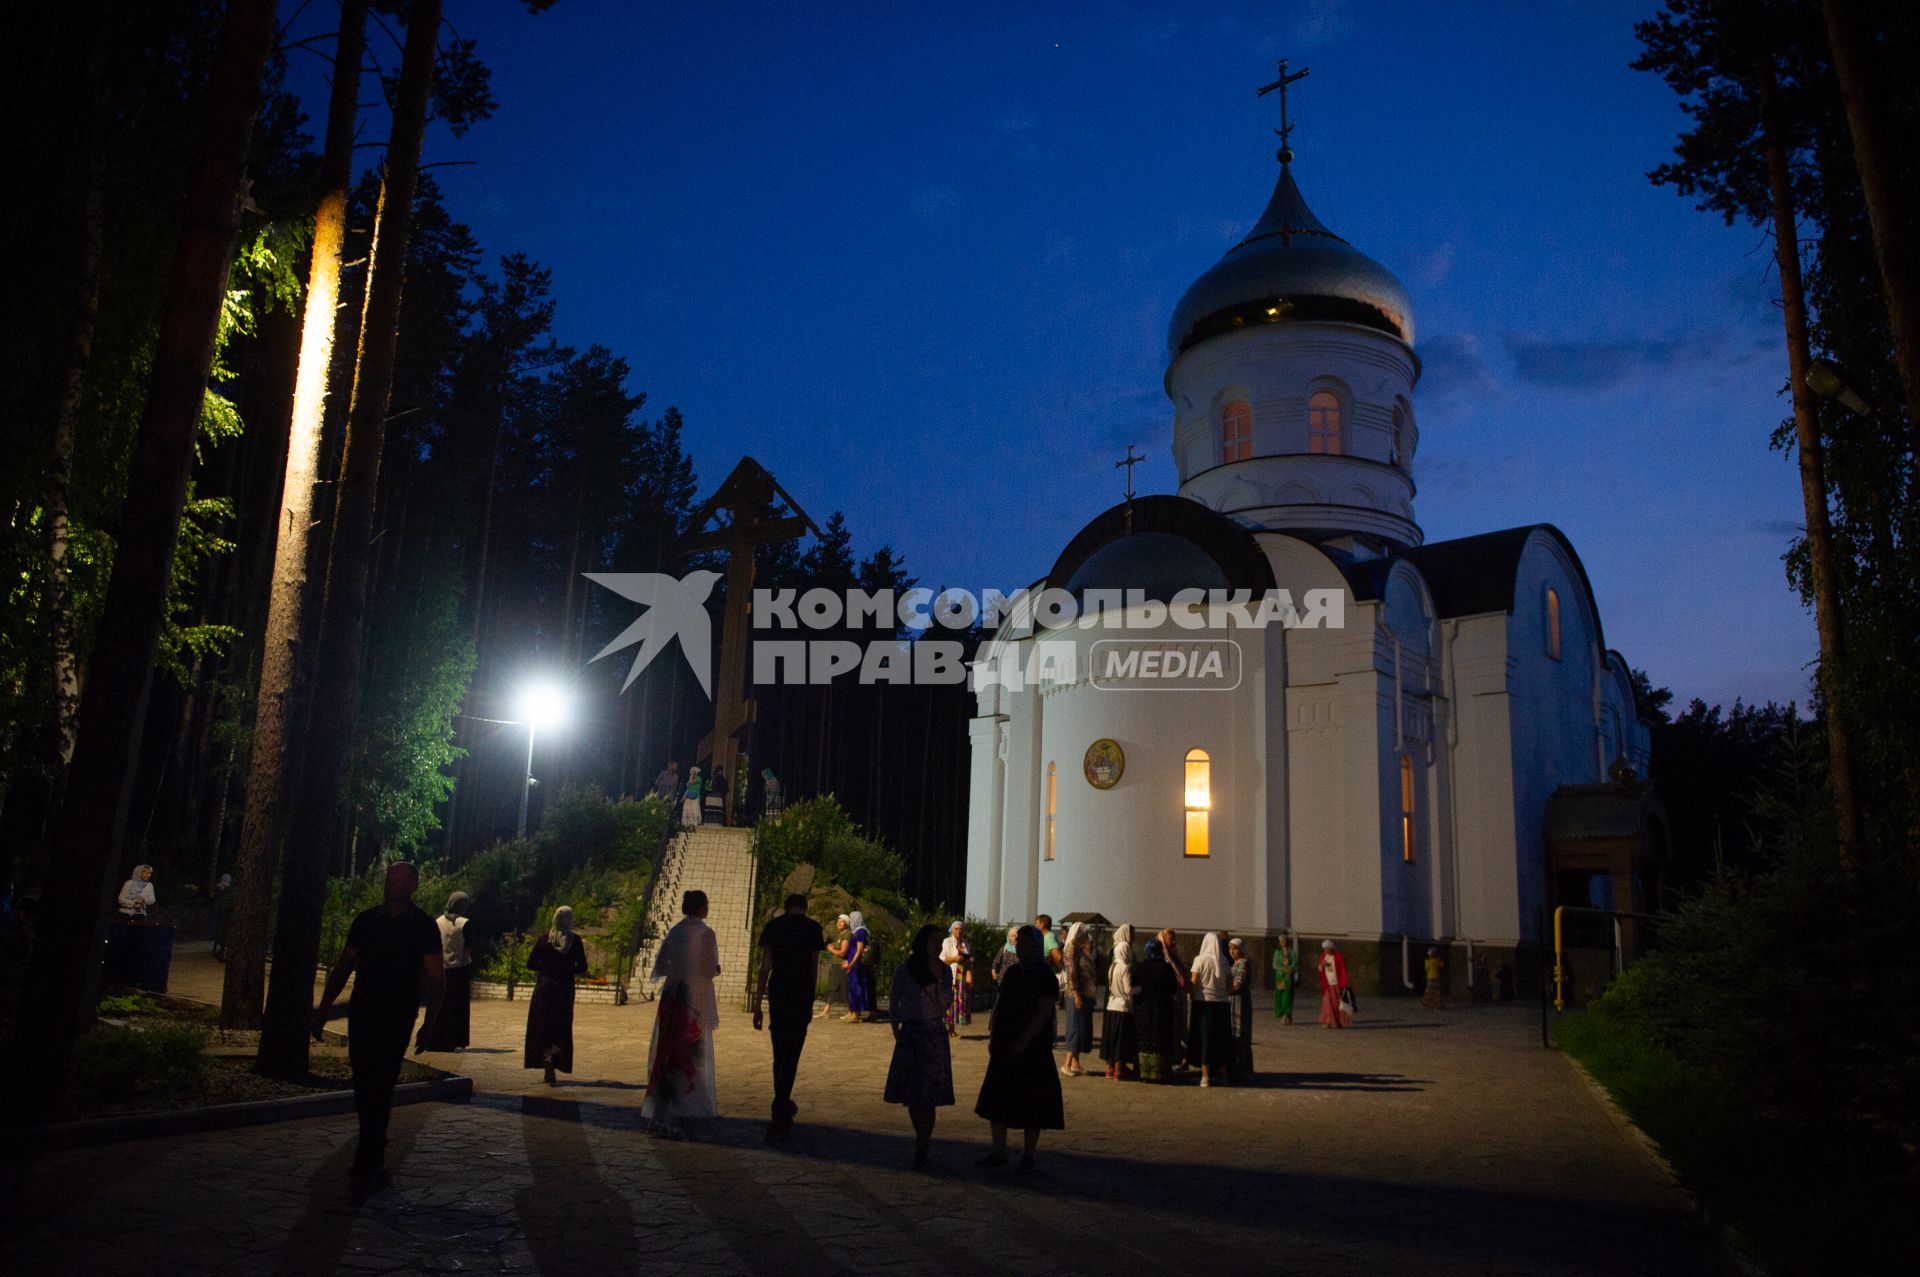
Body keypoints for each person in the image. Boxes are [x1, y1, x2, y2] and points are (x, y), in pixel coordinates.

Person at [311, 862, 442, 1180]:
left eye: (400, 880)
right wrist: (324, 1005)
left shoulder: (423, 926)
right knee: (363, 1076)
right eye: (390, 878)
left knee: (382, 1079)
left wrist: (430, 1021)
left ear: (413, 886)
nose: (392, 884)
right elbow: (344, 965)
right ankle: (373, 1138)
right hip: (364, 1009)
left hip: (398, 1011)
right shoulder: (366, 921)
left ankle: (369, 1150)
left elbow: (436, 977)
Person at [973, 925, 1064, 1170]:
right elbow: (1001, 1006)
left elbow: (1044, 1013)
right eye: (1019, 944)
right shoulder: (1013, 972)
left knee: (1033, 1101)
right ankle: (998, 1150)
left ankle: (1028, 1154)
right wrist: (995, 1038)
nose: (1020, 948)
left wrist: (1024, 1040)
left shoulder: (1045, 976)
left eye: (1024, 944)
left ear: (1035, 946)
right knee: (997, 1097)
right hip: (1005, 1042)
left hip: (1033, 1047)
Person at [642, 890, 721, 1138]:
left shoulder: (675, 930)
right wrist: (714, 969)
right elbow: (709, 969)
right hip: (694, 996)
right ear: (701, 908)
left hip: (673, 995)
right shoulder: (706, 934)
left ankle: (663, 1106)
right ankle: (687, 1104)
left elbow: (661, 965)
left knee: (668, 1049)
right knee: (692, 1050)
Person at [753, 893, 826, 1139]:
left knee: (779, 1050)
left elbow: (765, 967)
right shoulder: (813, 929)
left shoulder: (773, 927)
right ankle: (780, 1106)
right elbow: (814, 965)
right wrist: (811, 994)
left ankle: (781, 1104)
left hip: (779, 991)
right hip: (800, 992)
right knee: (793, 1051)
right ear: (804, 908)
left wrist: (757, 1004)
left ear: (785, 907)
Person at [885, 924, 956, 1170]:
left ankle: (923, 1143)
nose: (938, 946)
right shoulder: (905, 970)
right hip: (912, 1033)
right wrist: (896, 1029)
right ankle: (920, 1136)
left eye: (940, 942)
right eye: (934, 941)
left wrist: (937, 980)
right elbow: (895, 1000)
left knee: (929, 1095)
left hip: (933, 1034)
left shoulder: (945, 971)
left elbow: (945, 1003)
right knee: (914, 1093)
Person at [524, 905, 588, 1084]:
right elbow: (582, 966)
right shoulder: (574, 941)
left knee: (542, 1025)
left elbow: (531, 963)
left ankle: (544, 1056)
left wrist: (547, 967)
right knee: (561, 1026)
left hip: (544, 988)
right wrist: (565, 969)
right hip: (564, 990)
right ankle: (554, 1055)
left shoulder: (545, 939)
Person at [417, 892, 476, 1053]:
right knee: (455, 1007)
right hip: (459, 970)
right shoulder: (465, 923)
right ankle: (451, 1040)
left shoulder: (438, 921)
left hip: (441, 968)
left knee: (440, 1005)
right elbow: (467, 949)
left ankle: (434, 1039)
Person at [1132, 937, 1180, 1082]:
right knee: (1161, 1038)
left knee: (1144, 1039)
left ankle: (1144, 1071)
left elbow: (1133, 987)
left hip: (1143, 1008)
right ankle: (1162, 1071)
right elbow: (1173, 988)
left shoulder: (1139, 967)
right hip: (1163, 1008)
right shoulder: (1166, 967)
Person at [1188, 933, 1233, 1087]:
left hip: (1203, 1004)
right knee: (1221, 1039)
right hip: (1222, 1005)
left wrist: (1189, 992)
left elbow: (1193, 982)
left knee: (1205, 1039)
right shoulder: (1225, 961)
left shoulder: (1199, 960)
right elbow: (1230, 986)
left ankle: (1205, 1076)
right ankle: (1223, 1076)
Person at [1100, 923, 1138, 1080]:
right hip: (1123, 1006)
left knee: (1112, 1037)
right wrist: (1139, 990)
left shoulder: (1112, 966)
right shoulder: (1125, 967)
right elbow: (1128, 990)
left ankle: (1110, 1068)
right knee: (1121, 1039)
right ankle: (1118, 1070)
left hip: (1111, 1004)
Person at [1059, 921, 1097, 1076]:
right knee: (1074, 1027)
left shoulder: (1081, 949)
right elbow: (1071, 972)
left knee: (1081, 1027)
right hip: (1075, 994)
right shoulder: (1070, 949)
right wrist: (1076, 993)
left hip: (1084, 994)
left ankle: (1075, 1063)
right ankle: (1066, 1064)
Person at [1158, 927, 1192, 1066]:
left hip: (1179, 996)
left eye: (1174, 939)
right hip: (1171, 997)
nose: (1173, 942)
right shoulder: (1162, 956)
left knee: (1181, 1026)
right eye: (1170, 939)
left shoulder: (1173, 955)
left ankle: (1183, 1057)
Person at [1228, 938, 1255, 1081]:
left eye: (1235, 948)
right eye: (1230, 948)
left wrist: (1224, 989)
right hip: (1233, 1002)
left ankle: (1241, 1068)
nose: (1232, 951)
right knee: (1236, 1035)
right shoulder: (1235, 963)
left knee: (1240, 1035)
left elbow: (1238, 985)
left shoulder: (1243, 963)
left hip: (1240, 1003)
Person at [939, 920, 971, 1035]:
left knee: (958, 1001)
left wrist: (969, 960)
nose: (959, 931)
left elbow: (967, 958)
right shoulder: (946, 942)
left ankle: (952, 1028)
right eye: (956, 929)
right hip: (950, 974)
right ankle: (948, 1028)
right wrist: (954, 958)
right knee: (949, 1001)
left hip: (961, 975)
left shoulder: (965, 944)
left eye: (961, 929)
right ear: (952, 930)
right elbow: (942, 958)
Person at [842, 910, 875, 1022]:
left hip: (857, 965)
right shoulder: (855, 931)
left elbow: (859, 949)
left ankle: (855, 1014)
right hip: (853, 964)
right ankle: (853, 1012)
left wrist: (851, 963)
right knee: (852, 987)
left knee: (855, 987)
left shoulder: (860, 931)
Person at [819, 914, 850, 1019]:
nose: (839, 923)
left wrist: (831, 949)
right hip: (836, 964)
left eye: (842, 921)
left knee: (844, 988)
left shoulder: (847, 934)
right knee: (831, 987)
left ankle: (852, 1011)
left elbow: (843, 952)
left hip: (841, 965)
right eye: (838, 921)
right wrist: (832, 947)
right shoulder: (840, 935)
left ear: (846, 923)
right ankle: (826, 1011)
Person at [1318, 939, 1353, 1028]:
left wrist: (1344, 983)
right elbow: (1320, 969)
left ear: (1331, 948)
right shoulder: (1323, 957)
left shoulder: (1338, 957)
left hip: (1337, 984)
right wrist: (1322, 965)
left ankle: (1338, 1022)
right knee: (1327, 1002)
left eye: (1327, 949)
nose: (1326, 951)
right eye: (1325, 949)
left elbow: (1342, 970)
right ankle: (1328, 1021)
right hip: (1328, 984)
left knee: (1336, 1003)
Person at [990, 926, 1020, 1010]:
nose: (1015, 938)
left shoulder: (1022, 949)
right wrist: (994, 972)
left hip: (1017, 979)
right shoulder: (1004, 948)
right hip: (1003, 979)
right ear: (1008, 937)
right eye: (1012, 936)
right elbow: (996, 961)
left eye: (1017, 936)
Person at [1272, 931, 1297, 1022]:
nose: (1283, 942)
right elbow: (1274, 964)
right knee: (1280, 995)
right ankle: (1283, 1013)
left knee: (1288, 995)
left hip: (1288, 977)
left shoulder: (1291, 952)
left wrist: (1289, 969)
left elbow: (1295, 964)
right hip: (1280, 976)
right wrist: (1282, 968)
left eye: (1284, 940)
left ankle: (1287, 1014)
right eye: (1281, 940)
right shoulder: (1277, 952)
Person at [209, 872, 233, 959]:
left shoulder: (217, 888)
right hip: (223, 912)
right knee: (222, 931)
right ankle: (220, 951)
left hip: (217, 911)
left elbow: (212, 897)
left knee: (218, 930)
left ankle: (218, 949)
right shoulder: (229, 889)